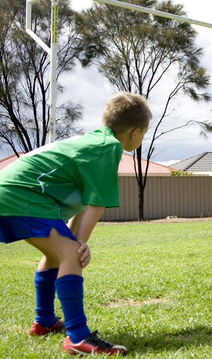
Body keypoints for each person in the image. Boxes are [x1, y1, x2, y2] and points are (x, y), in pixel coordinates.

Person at [0, 92, 152, 355]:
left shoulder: (94, 141)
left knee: (57, 254)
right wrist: (79, 244)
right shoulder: (110, 147)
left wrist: (74, 239)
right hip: (21, 194)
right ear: (135, 132)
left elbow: (85, 201)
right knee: (69, 253)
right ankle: (78, 337)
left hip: (12, 191)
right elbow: (97, 203)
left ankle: (44, 321)